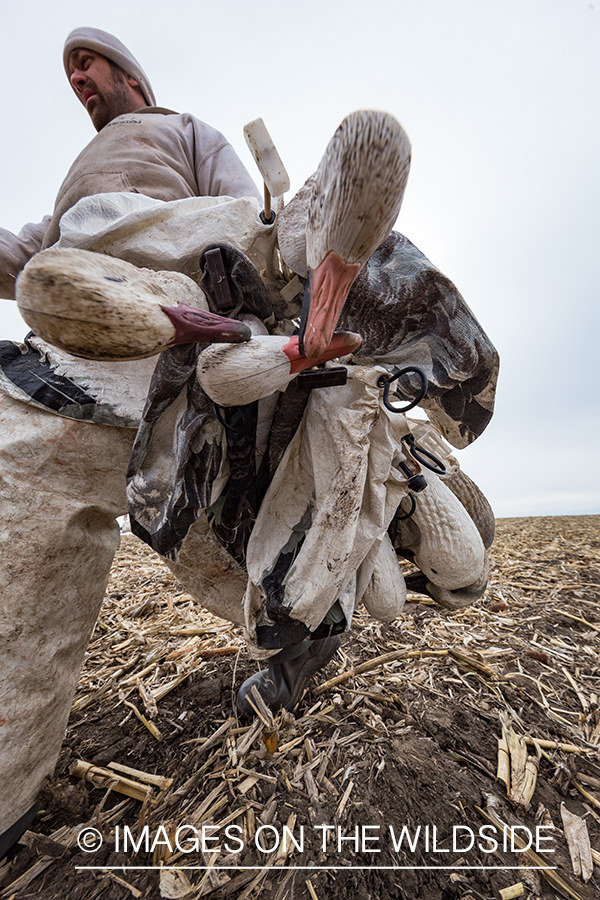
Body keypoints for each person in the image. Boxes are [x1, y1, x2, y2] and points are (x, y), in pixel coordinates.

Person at [0, 26, 342, 857]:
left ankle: (305, 632)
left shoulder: (188, 132)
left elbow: (250, 221)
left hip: (186, 312)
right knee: (19, 549)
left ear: (130, 75)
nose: (76, 77)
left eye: (87, 62)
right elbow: (27, 261)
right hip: (77, 324)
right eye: (69, 69)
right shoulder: (70, 195)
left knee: (224, 538)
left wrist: (284, 331)